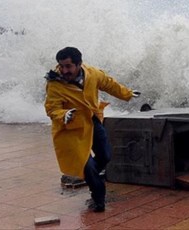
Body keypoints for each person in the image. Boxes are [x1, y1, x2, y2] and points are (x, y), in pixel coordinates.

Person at [44, 47, 140, 212]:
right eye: (61, 66)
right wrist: (63, 114)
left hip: (91, 120)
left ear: (79, 64)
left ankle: (91, 175)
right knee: (87, 166)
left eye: (68, 66)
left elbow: (109, 84)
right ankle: (98, 198)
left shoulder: (92, 74)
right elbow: (52, 108)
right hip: (70, 129)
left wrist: (127, 94)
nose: (64, 70)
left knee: (105, 155)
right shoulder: (54, 84)